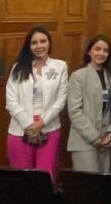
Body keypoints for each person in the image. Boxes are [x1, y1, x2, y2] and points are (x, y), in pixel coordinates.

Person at [5, 26, 68, 182]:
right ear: (29, 46)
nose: (39, 46)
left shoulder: (60, 66)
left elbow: (61, 101)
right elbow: (11, 101)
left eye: (43, 41)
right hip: (20, 128)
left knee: (45, 177)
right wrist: (29, 125)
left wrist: (42, 122)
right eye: (34, 43)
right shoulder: (18, 68)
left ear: (49, 43)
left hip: (49, 127)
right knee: (22, 179)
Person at [67, 35, 111, 173]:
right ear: (89, 51)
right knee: (87, 183)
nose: (101, 53)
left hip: (105, 140)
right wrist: (94, 137)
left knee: (102, 183)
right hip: (84, 141)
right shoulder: (78, 76)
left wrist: (110, 132)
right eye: (97, 49)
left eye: (105, 50)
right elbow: (75, 111)